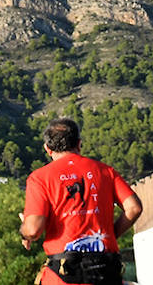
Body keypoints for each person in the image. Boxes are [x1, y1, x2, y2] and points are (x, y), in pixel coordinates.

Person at [20, 117, 144, 285]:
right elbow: (134, 208)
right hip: (106, 269)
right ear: (79, 144)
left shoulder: (40, 178)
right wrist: (110, 235)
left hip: (64, 274)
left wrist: (25, 231)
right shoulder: (106, 171)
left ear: (47, 149)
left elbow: (33, 229)